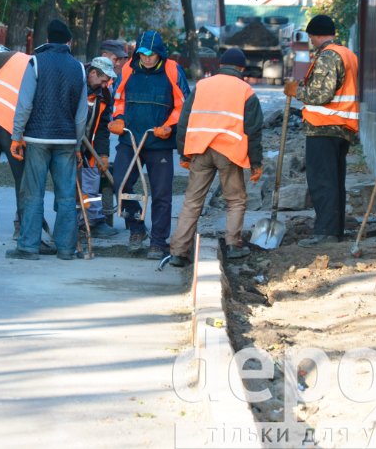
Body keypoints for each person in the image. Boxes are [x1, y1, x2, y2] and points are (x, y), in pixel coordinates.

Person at [168, 48, 264, 267]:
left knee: (192, 202)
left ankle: (178, 253)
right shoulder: (245, 90)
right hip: (229, 151)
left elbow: (184, 120)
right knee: (236, 200)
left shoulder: (202, 85)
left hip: (200, 150)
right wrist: (255, 163)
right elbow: (253, 130)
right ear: (241, 68)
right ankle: (233, 245)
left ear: (220, 65)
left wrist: (183, 153)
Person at [10, 20, 88, 260]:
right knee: (66, 196)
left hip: (37, 138)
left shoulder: (35, 63)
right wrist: (76, 146)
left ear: (46, 40)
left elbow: (25, 104)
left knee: (33, 193)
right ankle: (66, 249)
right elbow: (81, 115)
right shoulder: (79, 68)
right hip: (66, 141)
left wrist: (16, 136)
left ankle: (28, 247)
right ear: (68, 42)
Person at [109, 30, 189, 260]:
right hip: (130, 139)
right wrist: (119, 118)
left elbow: (183, 105)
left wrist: (169, 126)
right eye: (142, 54)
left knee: (162, 193)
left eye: (151, 54)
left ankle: (158, 242)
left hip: (158, 140)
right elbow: (118, 99)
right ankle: (136, 228)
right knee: (121, 184)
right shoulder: (127, 69)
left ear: (160, 54)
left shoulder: (173, 70)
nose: (146, 58)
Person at [283, 14, 359, 248]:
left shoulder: (328, 56)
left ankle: (325, 232)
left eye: (311, 37)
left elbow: (320, 95)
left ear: (315, 34)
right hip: (341, 127)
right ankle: (334, 229)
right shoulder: (348, 54)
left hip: (324, 127)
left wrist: (296, 91)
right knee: (335, 180)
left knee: (322, 181)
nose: (311, 42)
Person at [0, 44, 53, 253]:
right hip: (12, 130)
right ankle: (27, 238)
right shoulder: (44, 70)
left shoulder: (13, 58)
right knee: (24, 185)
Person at [79, 56, 120, 238]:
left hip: (89, 146)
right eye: (103, 81)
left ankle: (93, 222)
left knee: (92, 179)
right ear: (93, 73)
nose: (105, 85)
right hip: (68, 144)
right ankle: (73, 222)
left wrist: (103, 155)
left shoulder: (104, 95)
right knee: (69, 186)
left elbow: (103, 128)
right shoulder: (76, 84)